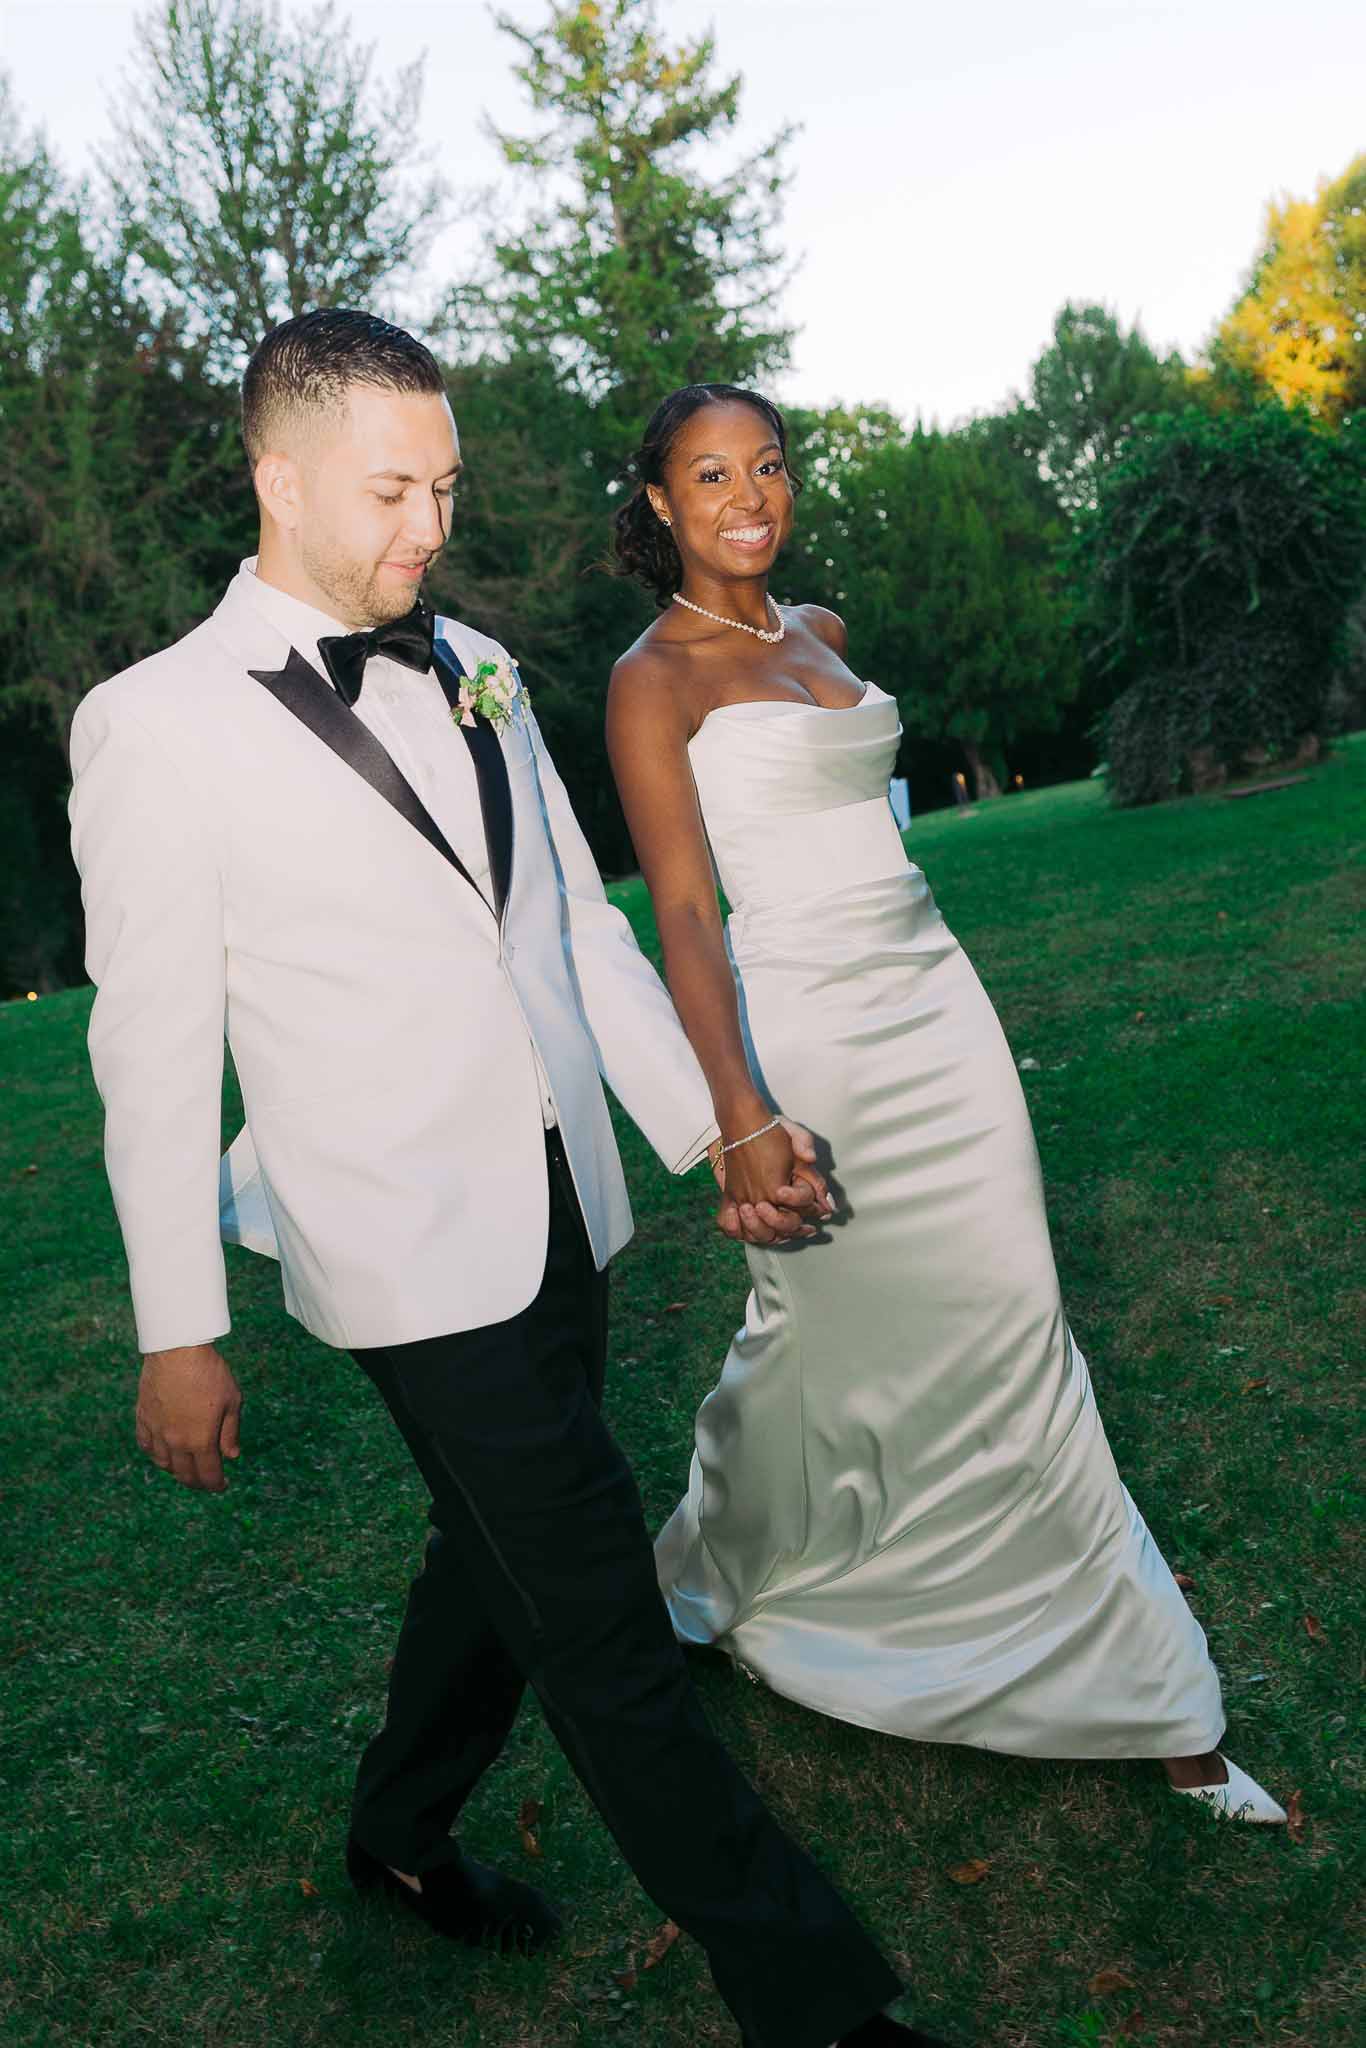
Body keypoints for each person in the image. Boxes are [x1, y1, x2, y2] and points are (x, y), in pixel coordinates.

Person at [68, 313, 955, 2048]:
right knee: (602, 1622)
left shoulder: (474, 655)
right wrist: (178, 1326)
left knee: (493, 1564)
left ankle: (398, 1834)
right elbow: (153, 1052)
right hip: (398, 1241)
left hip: (561, 1204)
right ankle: (820, 2005)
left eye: (446, 485)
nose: (428, 526)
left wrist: (715, 1123)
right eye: (391, 490)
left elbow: (564, 923)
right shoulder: (152, 724)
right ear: (279, 478)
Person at [605, 381, 1285, 1826]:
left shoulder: (821, 636)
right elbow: (680, 912)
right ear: (660, 506)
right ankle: (715, 1571)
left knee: (1013, 1315)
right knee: (814, 1334)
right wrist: (739, 1110)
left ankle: (1151, 1698)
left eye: (768, 467)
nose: (748, 496)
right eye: (711, 475)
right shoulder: (650, 680)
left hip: (938, 1008)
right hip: (809, 1041)